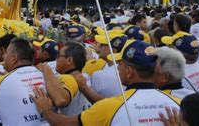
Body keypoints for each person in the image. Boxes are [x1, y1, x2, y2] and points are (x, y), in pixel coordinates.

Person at [31, 40, 181, 125]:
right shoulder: (178, 105)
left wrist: (46, 110)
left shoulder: (111, 107)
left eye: (120, 64)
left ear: (129, 71)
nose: (117, 67)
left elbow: (64, 124)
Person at [0, 38, 47, 125]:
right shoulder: (45, 76)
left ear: (14, 58)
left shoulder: (1, 82)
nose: (3, 56)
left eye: (6, 53)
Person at [73, 31, 127, 102]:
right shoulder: (128, 70)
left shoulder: (100, 74)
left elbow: (93, 102)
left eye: (103, 45)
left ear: (113, 51)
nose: (99, 46)